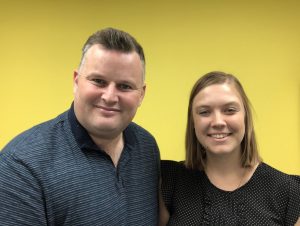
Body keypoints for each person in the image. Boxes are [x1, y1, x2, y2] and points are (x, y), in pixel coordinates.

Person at [0, 27, 160, 225]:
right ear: (76, 82)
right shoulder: (21, 166)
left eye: (125, 86)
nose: (109, 97)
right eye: (98, 81)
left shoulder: (147, 147)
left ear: (141, 94)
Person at [159, 71, 300, 225]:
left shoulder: (289, 192)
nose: (218, 122)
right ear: (193, 122)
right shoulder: (169, 180)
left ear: (245, 117)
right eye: (204, 112)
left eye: (230, 110)